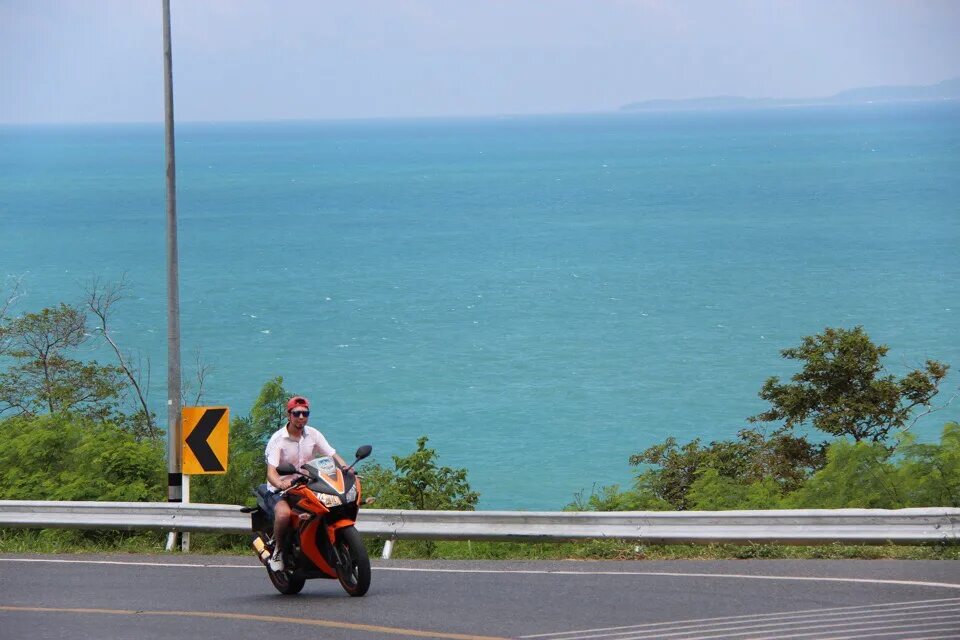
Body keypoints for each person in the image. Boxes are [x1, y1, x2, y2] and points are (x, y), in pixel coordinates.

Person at [263, 395, 350, 571]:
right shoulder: (278, 439)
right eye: (297, 413)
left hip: (307, 485)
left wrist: (346, 469)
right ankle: (278, 551)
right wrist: (280, 484)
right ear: (289, 415)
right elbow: (271, 471)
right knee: (283, 515)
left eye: (305, 413)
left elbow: (332, 454)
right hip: (281, 489)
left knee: (329, 505)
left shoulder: (313, 434)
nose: (301, 417)